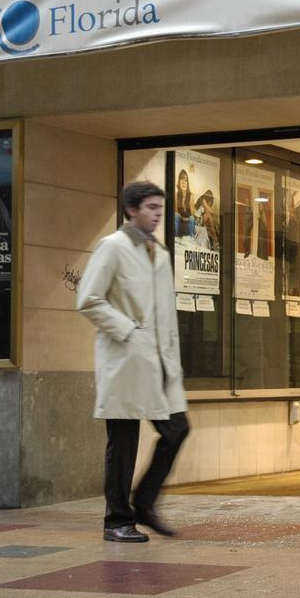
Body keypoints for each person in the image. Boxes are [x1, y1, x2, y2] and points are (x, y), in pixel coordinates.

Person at [77, 181, 189, 543]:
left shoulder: (161, 253)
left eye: (160, 208)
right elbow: (89, 299)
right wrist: (128, 331)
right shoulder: (113, 247)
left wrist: (170, 355)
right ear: (131, 210)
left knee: (177, 430)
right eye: (151, 207)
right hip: (126, 360)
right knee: (123, 444)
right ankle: (117, 521)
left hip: (159, 364)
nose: (158, 214)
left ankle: (144, 502)